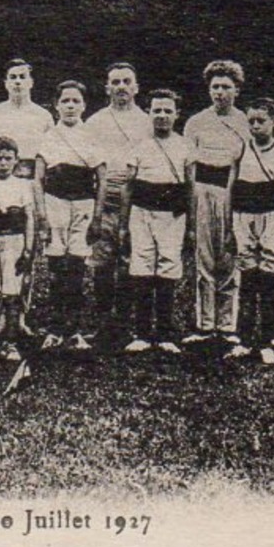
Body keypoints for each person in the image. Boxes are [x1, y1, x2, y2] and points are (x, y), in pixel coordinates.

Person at [33, 80, 108, 350]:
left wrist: (97, 216)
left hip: (83, 205)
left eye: (76, 101)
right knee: (55, 267)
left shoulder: (91, 136)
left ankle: (74, 329)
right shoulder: (49, 136)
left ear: (85, 106)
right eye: (65, 101)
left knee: (76, 266)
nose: (70, 106)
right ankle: (54, 328)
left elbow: (102, 178)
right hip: (55, 203)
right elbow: (38, 179)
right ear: (56, 106)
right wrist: (42, 215)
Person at [82, 63, 154, 340]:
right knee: (101, 261)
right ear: (107, 87)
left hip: (136, 200)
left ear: (136, 87)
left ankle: (125, 322)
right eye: (116, 82)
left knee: (129, 260)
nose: (121, 87)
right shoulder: (96, 121)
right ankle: (102, 321)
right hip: (104, 198)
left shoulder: (147, 122)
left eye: (127, 81)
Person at [120, 90, 194, 354]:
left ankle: (164, 333)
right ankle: (141, 332)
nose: (162, 116)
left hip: (173, 216)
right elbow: (128, 186)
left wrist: (192, 224)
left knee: (167, 266)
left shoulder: (185, 145)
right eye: (156, 111)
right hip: (141, 213)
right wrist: (123, 223)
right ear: (148, 113)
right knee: (142, 265)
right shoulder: (139, 145)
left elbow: (190, 187)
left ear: (177, 114)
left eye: (167, 111)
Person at [182, 60, 248, 345]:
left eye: (226, 87)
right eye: (215, 87)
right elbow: (189, 166)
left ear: (237, 90)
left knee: (230, 256)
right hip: (202, 191)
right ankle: (205, 324)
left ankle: (227, 324)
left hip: (233, 193)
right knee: (205, 257)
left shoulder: (245, 122)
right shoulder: (196, 122)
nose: (220, 92)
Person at [229, 98, 274, 364]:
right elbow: (230, 188)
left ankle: (266, 341)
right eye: (251, 121)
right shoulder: (240, 148)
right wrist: (228, 224)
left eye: (261, 121)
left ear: (273, 122)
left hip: (273, 216)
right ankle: (245, 340)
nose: (256, 126)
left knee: (268, 278)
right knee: (247, 277)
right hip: (243, 215)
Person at [0, 137, 38, 360]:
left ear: (16, 161)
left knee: (12, 293)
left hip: (14, 242)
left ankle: (10, 343)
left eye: (7, 158)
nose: (2, 163)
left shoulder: (23, 185)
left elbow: (29, 219)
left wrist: (28, 250)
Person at [0, 58, 53, 178]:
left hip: (33, 179)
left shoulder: (44, 116)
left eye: (22, 77)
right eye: (13, 77)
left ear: (31, 82)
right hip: (0, 179)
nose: (17, 81)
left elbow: (50, 153)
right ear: (6, 83)